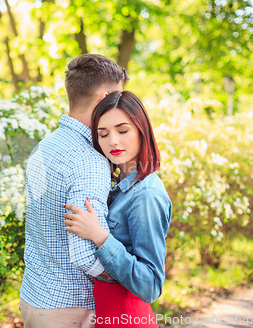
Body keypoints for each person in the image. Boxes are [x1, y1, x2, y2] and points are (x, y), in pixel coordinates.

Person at [19, 54, 128, 328]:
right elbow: (84, 256)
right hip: (69, 310)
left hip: (34, 297)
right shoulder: (90, 161)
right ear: (105, 98)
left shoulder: (44, 146)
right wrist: (127, 275)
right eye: (119, 99)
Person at [64, 91, 172, 327]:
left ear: (141, 130)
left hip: (126, 316)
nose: (112, 141)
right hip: (105, 312)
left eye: (123, 131)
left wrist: (100, 237)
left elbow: (151, 285)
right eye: (103, 134)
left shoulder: (146, 195)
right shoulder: (118, 186)